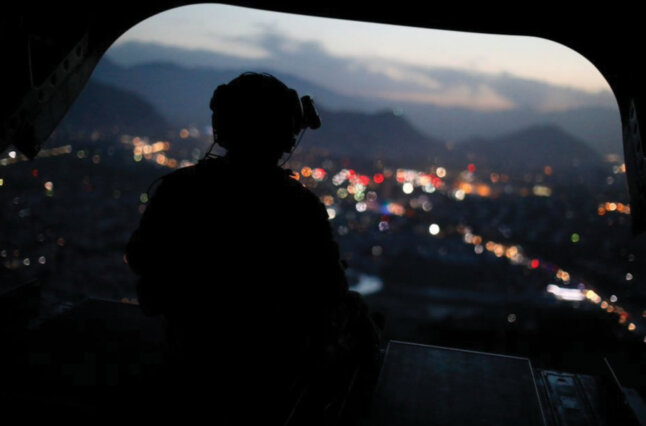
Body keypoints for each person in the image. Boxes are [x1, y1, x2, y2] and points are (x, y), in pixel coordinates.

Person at [125, 72, 380, 422]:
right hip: (270, 377)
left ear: (222, 127)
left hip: (188, 357)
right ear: (287, 136)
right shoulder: (298, 207)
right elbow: (329, 291)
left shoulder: (178, 190)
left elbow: (141, 257)